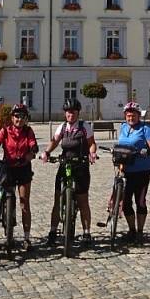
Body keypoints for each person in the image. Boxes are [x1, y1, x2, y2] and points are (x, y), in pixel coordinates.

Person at [40, 98, 97, 246]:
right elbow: (54, 141)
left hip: (81, 165)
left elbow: (92, 144)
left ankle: (86, 233)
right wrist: (46, 152)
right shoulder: (62, 127)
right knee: (58, 199)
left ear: (78, 113)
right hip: (65, 164)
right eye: (68, 112)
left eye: (73, 112)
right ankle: (53, 231)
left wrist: (91, 154)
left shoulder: (85, 126)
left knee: (83, 200)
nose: (70, 115)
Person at [0, 103, 39, 249]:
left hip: (23, 168)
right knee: (5, 195)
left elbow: (33, 145)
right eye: (16, 116)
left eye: (22, 116)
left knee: (24, 203)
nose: (19, 119)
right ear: (12, 117)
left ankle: (26, 238)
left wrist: (32, 151)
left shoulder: (28, 131)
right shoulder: (5, 131)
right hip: (8, 168)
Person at [114, 101, 150, 244]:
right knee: (125, 202)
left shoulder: (145, 128)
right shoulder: (123, 127)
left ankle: (140, 232)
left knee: (140, 201)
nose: (130, 118)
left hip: (141, 169)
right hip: (126, 170)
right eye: (128, 115)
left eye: (133, 115)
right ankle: (131, 230)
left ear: (139, 115)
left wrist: (149, 150)